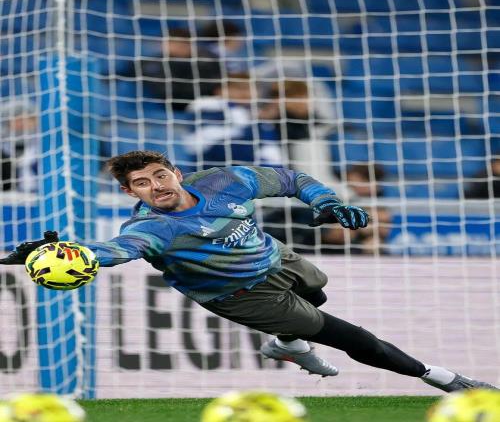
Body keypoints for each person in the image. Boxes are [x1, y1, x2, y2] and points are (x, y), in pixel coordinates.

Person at [0, 150, 496, 393]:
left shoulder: (227, 181)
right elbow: (119, 249)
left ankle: (285, 345)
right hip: (241, 295)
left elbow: (291, 178)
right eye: (142, 184)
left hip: (276, 258)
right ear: (130, 193)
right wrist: (73, 254)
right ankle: (445, 380)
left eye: (160, 175)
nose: (156, 186)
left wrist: (326, 202)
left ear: (176, 172)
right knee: (351, 336)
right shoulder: (153, 227)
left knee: (319, 293)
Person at [124, 28, 222, 111]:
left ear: (188, 44)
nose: (171, 46)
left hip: (197, 104)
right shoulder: (149, 64)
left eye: (176, 43)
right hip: (159, 106)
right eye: (168, 42)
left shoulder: (207, 62)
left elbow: (213, 87)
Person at [0, 99, 39, 192]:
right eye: (16, 118)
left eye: (27, 118)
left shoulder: (45, 145)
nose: (21, 123)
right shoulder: (3, 146)